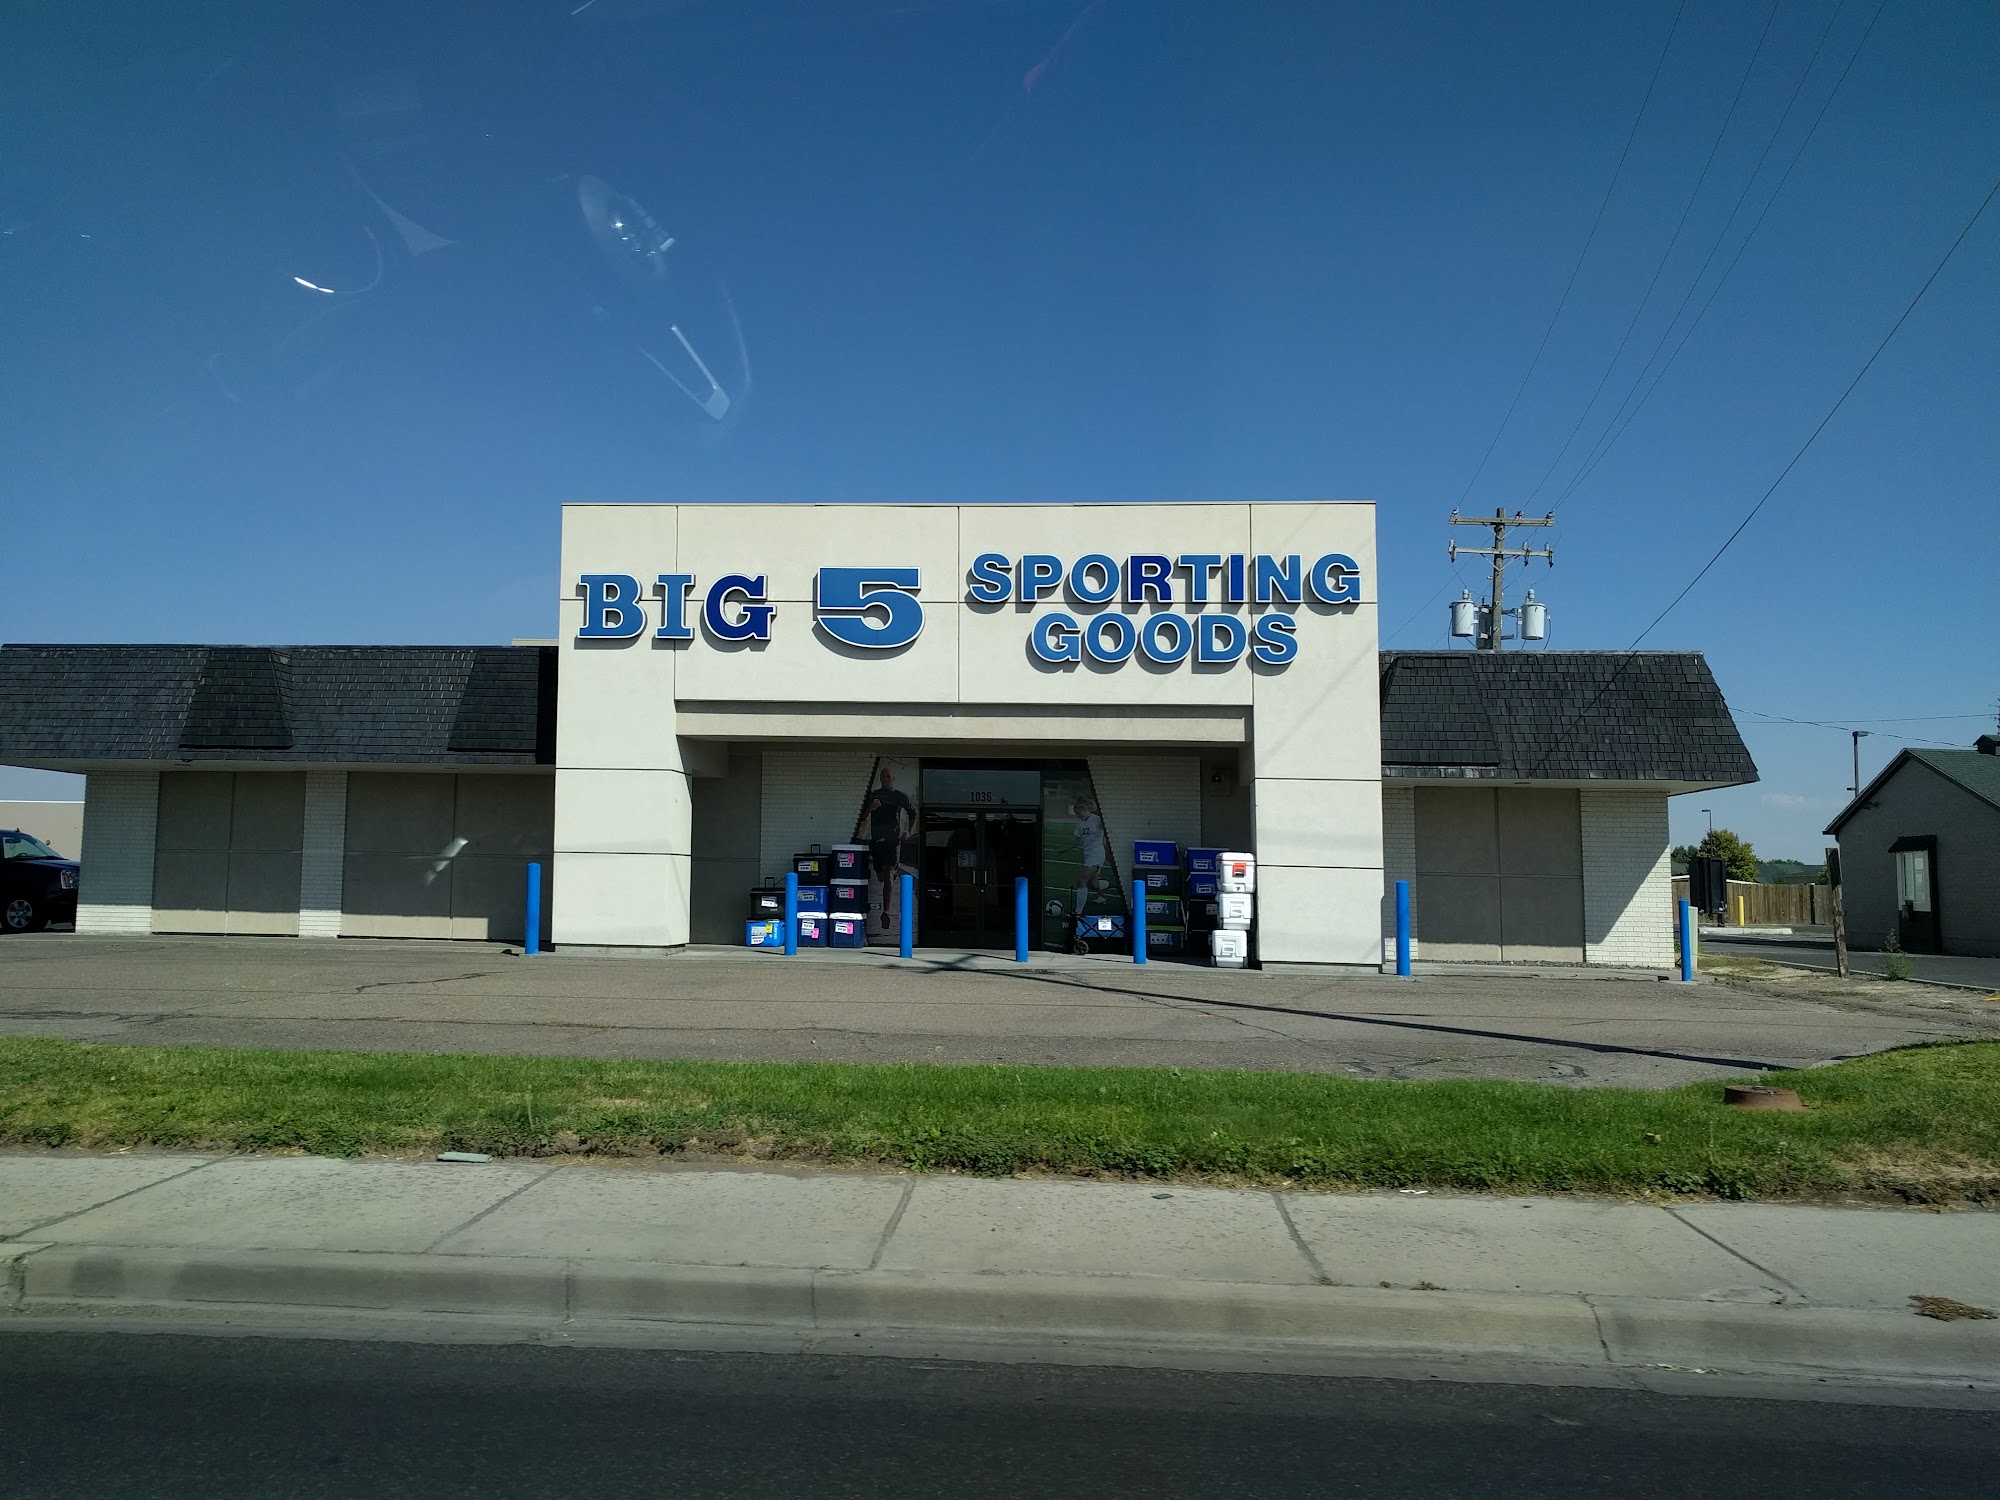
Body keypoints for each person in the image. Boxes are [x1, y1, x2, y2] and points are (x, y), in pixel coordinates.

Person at [858, 766, 914, 937]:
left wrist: (909, 831)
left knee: (888, 873)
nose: (885, 779)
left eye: (888, 777)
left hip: (892, 840)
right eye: (882, 777)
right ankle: (892, 873)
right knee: (881, 877)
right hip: (877, 841)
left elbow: (913, 813)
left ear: (893, 779)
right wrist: (871, 808)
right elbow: (862, 817)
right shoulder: (874, 795)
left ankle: (886, 911)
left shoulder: (900, 796)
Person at [1071, 797, 1108, 916]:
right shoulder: (1080, 824)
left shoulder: (1097, 820)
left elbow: (1106, 822)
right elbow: (1077, 840)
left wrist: (1095, 806)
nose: (1078, 815)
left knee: (1082, 880)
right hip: (1088, 855)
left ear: (1085, 810)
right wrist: (1064, 849)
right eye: (1076, 813)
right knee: (1093, 884)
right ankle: (1113, 886)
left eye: (1079, 812)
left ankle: (1078, 913)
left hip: (1096, 855)